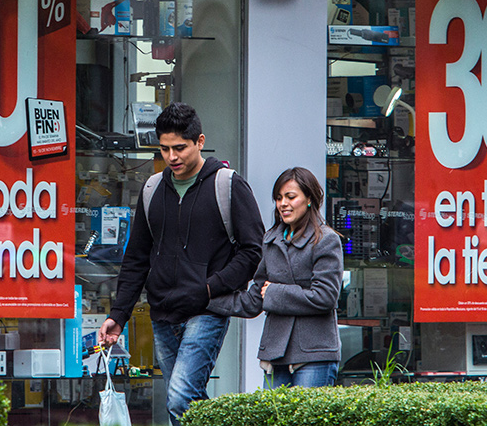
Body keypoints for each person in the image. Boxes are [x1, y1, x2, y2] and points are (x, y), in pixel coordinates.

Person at [98, 102, 264, 425]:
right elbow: (136, 259)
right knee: (184, 406)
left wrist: (209, 288)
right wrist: (118, 316)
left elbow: (252, 251)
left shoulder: (227, 185)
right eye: (164, 149)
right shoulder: (152, 190)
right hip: (162, 313)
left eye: (180, 148)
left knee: (180, 397)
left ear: (199, 141)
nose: (172, 157)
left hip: (207, 310)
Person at [208, 167, 343, 388]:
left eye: (291, 197)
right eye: (279, 198)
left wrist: (274, 292)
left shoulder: (326, 240)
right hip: (275, 354)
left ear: (309, 199)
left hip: (314, 355)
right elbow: (254, 301)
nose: (283, 204)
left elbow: (325, 297)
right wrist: (205, 299)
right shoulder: (270, 240)